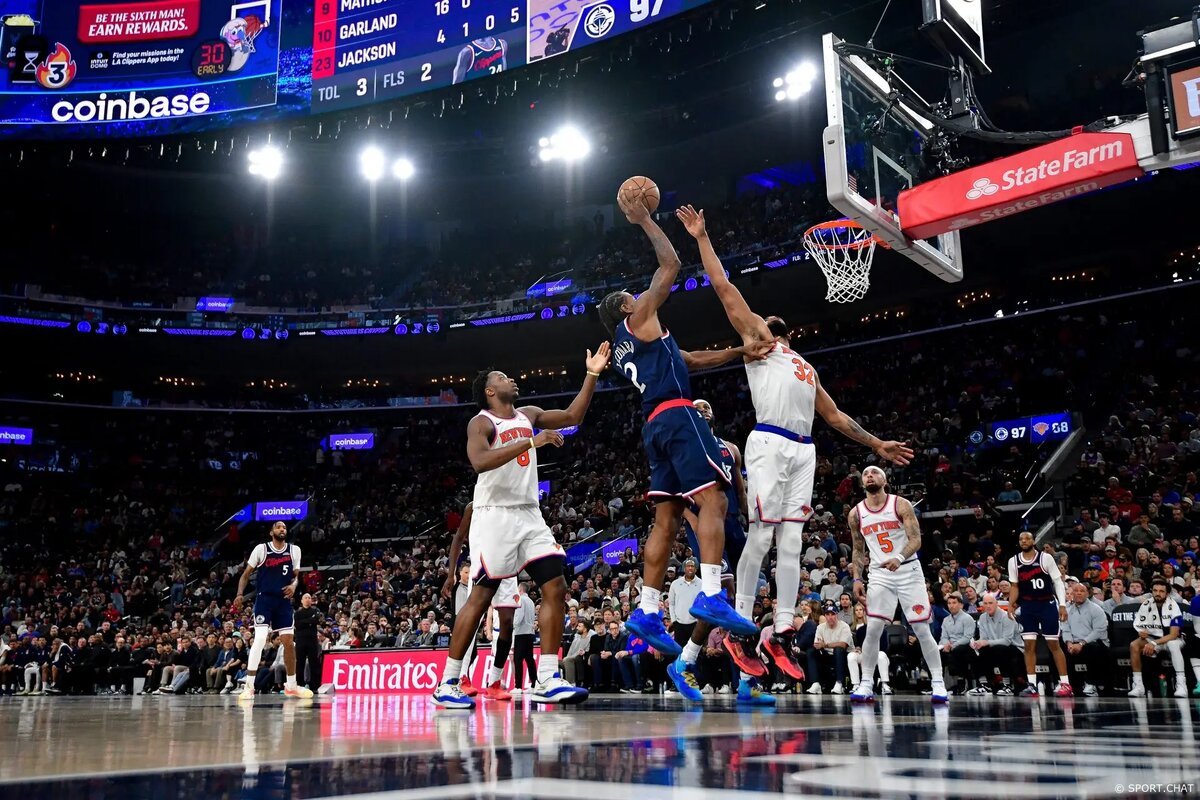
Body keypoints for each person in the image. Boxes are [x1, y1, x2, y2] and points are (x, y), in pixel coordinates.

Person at [676, 204, 913, 703]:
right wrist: (701, 238)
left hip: (803, 449)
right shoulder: (759, 342)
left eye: (764, 322)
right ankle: (740, 624)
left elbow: (835, 417)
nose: (757, 324)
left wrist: (875, 443)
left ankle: (780, 629)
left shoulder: (805, 366)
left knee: (791, 542)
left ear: (781, 331)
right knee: (763, 535)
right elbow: (723, 288)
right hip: (769, 441)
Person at [596, 191, 765, 663]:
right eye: (632, 297)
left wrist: (738, 352)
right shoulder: (640, 318)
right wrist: (645, 220)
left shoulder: (630, 347)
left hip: (653, 425)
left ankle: (648, 610)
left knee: (666, 520)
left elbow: (689, 358)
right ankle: (711, 593)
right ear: (625, 308)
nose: (639, 296)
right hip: (677, 414)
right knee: (714, 498)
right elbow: (670, 265)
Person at [432, 343, 611, 708]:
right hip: (493, 515)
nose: (511, 379)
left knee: (556, 584)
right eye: (503, 377)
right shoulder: (482, 422)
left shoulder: (528, 414)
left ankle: (547, 677)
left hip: (529, 513)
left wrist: (592, 374)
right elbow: (480, 461)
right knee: (481, 597)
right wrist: (531, 441)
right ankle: (448, 682)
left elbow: (573, 415)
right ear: (490, 391)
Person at [671, 399, 772, 705]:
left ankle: (743, 681)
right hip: (704, 522)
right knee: (723, 594)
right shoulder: (685, 446)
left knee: (744, 597)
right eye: (696, 407)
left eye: (706, 407)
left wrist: (751, 519)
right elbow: (674, 492)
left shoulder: (730, 448)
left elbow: (740, 489)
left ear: (713, 414)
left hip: (732, 522)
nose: (702, 409)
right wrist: (693, 523)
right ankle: (689, 660)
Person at [848, 467, 948, 703]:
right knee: (873, 628)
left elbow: (916, 540)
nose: (869, 475)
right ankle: (866, 683)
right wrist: (857, 578)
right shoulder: (856, 513)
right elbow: (858, 549)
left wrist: (899, 557)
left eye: (874, 472)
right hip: (879, 573)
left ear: (885, 480)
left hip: (908, 569)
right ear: (862, 482)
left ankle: (938, 682)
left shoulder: (900, 504)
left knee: (921, 629)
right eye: (865, 473)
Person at [442, 502, 517, 700]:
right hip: (482, 565)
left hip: (508, 566)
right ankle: (462, 677)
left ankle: (494, 682)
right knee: (472, 623)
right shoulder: (474, 506)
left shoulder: (512, 502)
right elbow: (458, 538)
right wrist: (451, 574)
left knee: (507, 623)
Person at [233, 520, 313, 700]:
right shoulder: (261, 549)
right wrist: (239, 594)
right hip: (265, 599)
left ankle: (291, 686)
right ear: (271, 532)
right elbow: (245, 575)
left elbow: (295, 577)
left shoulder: (294, 550)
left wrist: (294, 586)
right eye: (278, 527)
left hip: (283, 601)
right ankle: (249, 687)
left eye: (284, 527)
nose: (282, 529)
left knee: (289, 643)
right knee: (260, 638)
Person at [1007, 530, 1072, 697]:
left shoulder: (1045, 558)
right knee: (1029, 646)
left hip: (1046, 604)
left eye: (1027, 538)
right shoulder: (1013, 561)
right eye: (1021, 539)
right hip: (1028, 606)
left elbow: (1057, 581)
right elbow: (1014, 586)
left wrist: (1062, 604)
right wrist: (1010, 604)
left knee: (1053, 644)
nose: (1024, 541)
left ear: (1034, 541)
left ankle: (1065, 684)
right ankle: (1032, 685)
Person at [1128, 578, 1192, 697]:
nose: (1158, 593)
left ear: (1167, 593)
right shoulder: (1146, 604)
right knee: (1134, 645)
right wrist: (1142, 633)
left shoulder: (1174, 606)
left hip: (1174, 640)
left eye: (1161, 591)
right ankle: (1138, 685)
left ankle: (1181, 685)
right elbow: (1140, 626)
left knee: (1172, 644)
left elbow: (1173, 635)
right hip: (1153, 639)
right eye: (1155, 590)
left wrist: (1154, 643)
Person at [967, 592, 1025, 695]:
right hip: (995, 647)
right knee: (979, 650)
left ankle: (1007, 685)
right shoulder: (982, 618)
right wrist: (977, 643)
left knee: (1000, 649)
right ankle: (986, 684)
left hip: (1015, 648)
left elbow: (1007, 641)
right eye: (985, 603)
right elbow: (983, 638)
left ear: (996, 603)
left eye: (990, 603)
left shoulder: (1007, 616)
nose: (988, 606)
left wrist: (986, 642)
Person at [1060, 581, 1110, 696]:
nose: (1078, 593)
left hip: (1094, 642)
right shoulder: (1067, 610)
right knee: (1058, 647)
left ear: (1087, 594)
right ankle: (1065, 683)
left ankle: (1091, 683)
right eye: (1076, 591)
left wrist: (1081, 643)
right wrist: (1069, 643)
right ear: (1072, 594)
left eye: (1082, 591)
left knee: (1093, 648)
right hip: (1074, 642)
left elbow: (1099, 631)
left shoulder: (1096, 609)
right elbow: (1065, 629)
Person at [805, 602, 852, 693]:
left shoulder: (844, 626)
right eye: (828, 614)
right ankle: (815, 683)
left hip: (843, 655)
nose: (830, 617)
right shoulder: (820, 627)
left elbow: (843, 644)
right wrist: (820, 646)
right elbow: (817, 644)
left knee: (838, 649)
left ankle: (839, 683)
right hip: (826, 655)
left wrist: (825, 645)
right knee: (811, 651)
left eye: (832, 614)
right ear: (825, 616)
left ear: (837, 615)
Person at [847, 604, 891, 695]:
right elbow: (859, 645)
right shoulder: (861, 630)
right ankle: (856, 685)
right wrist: (858, 648)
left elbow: (883, 648)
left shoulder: (882, 630)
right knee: (851, 656)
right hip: (864, 655)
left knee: (881, 655)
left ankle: (884, 684)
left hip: (877, 654)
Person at [293, 593, 322, 690]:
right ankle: (299, 685)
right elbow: (297, 625)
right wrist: (309, 621)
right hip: (300, 640)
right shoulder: (297, 613)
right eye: (306, 597)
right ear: (302, 600)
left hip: (312, 640)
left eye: (309, 598)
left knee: (314, 663)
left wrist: (304, 622)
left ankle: (315, 686)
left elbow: (315, 620)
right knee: (299, 663)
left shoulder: (316, 610)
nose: (308, 599)